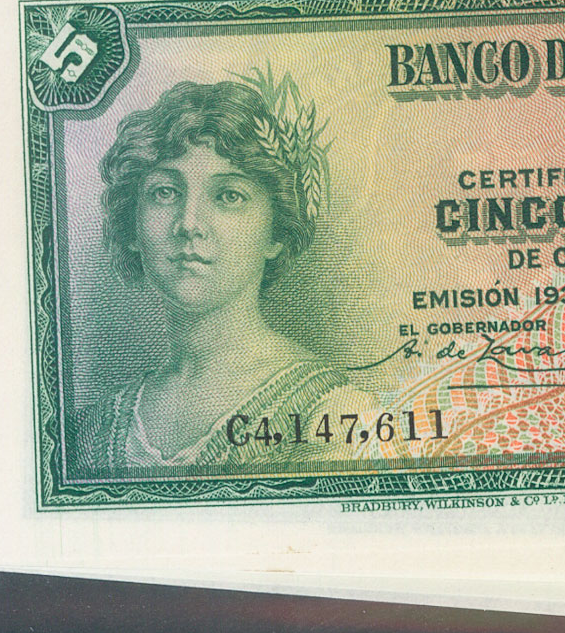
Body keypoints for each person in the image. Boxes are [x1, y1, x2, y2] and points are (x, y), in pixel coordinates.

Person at [75, 78, 371, 477]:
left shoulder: (335, 412)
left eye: (229, 196)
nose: (189, 224)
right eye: (165, 192)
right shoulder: (89, 431)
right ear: (132, 226)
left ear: (276, 232)